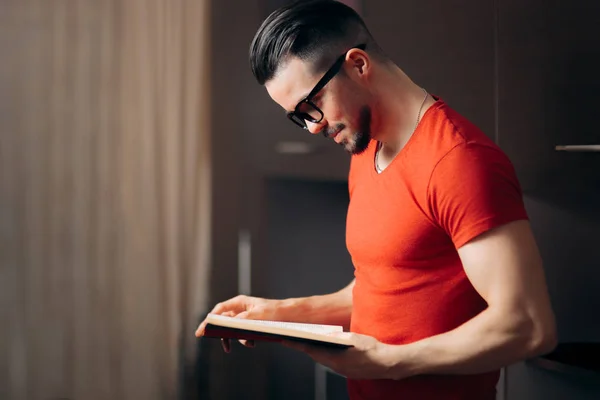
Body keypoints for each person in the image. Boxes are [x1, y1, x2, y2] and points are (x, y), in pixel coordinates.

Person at [196, 0, 557, 398]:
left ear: (358, 65)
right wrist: (270, 315)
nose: (312, 129)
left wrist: (389, 363)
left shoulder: (459, 162)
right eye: (297, 117)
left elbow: (528, 326)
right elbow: (381, 288)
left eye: (311, 106)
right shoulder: (364, 147)